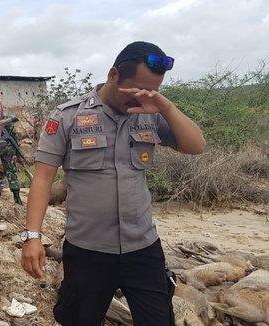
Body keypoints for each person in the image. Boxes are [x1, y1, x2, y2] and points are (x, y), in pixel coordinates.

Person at [20, 41, 206, 325]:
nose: (140, 98)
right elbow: (43, 178)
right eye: (135, 89)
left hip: (142, 249)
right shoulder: (69, 116)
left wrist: (164, 106)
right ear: (113, 74)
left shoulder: (151, 114)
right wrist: (32, 237)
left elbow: (196, 146)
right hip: (88, 252)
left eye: (152, 90)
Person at [0, 118, 24, 205]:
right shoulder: (9, 122)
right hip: (9, 147)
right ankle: (16, 197)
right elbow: (15, 138)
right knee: (11, 171)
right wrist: (18, 154)